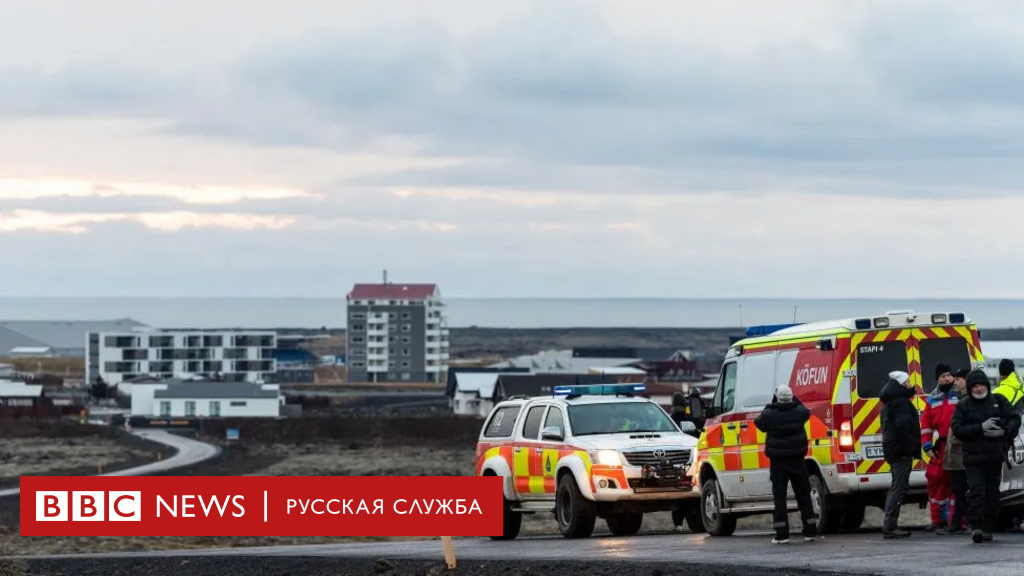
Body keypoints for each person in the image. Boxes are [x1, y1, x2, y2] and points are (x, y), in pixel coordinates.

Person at [951, 368, 1022, 543]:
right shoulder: (963, 405)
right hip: (973, 458)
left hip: (994, 457)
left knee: (992, 494)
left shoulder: (998, 400)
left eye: (982, 385)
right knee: (976, 491)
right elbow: (957, 430)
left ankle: (987, 527)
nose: (979, 388)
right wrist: (980, 428)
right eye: (975, 386)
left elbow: (1015, 418)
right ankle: (975, 526)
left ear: (987, 386)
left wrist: (1004, 432)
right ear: (969, 388)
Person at [753, 385, 819, 544]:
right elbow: (804, 409)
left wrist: (772, 403)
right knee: (804, 496)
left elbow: (758, 423)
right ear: (791, 397)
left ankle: (782, 535)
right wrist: (793, 399)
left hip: (778, 463)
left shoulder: (770, 414)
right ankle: (810, 531)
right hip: (798, 461)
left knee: (780, 498)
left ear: (777, 397)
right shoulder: (800, 413)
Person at [880, 370, 921, 539]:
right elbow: (903, 426)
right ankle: (890, 526)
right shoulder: (900, 402)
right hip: (900, 450)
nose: (910, 384)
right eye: (908, 381)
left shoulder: (890, 401)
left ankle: (889, 524)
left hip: (892, 448)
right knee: (899, 487)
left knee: (896, 485)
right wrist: (911, 446)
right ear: (902, 384)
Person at [920, 363, 959, 531]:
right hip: (941, 446)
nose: (946, 378)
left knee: (956, 482)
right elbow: (926, 425)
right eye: (943, 376)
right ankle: (938, 520)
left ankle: (956, 520)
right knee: (936, 481)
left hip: (957, 445)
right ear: (937, 379)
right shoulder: (932, 399)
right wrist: (927, 446)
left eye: (948, 375)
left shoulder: (959, 395)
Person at [937, 367, 970, 535]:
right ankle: (957, 521)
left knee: (964, 488)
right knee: (958, 488)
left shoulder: (968, 401)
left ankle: (963, 521)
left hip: (964, 454)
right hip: (956, 454)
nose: (954, 382)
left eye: (958, 379)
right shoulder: (960, 399)